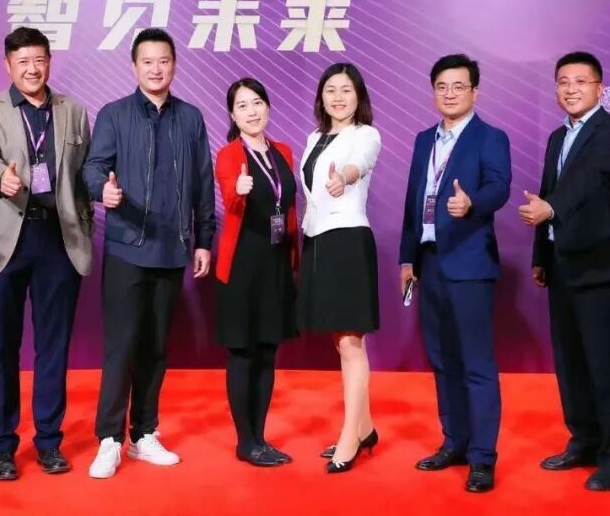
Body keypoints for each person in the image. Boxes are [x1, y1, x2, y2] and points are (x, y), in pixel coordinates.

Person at [83, 27, 216, 479]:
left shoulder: (191, 118)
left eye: (164, 60)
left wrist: (203, 239)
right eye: (148, 61)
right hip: (127, 247)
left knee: (157, 348)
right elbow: (93, 167)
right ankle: (108, 439)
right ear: (134, 67)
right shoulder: (114, 114)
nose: (156, 69)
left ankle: (143, 434)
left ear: (174, 64)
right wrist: (102, 190)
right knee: (121, 346)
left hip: (173, 248)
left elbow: (202, 182)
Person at [0, 27, 93, 481]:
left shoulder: (74, 111)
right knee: (2, 347)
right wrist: (1, 176)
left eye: (39, 60)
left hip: (59, 240)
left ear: (49, 61)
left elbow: (85, 173)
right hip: (4, 242)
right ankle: (2, 447)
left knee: (53, 347)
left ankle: (49, 442)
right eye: (22, 62)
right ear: (8, 65)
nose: (32, 69)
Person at [517, 51, 610, 491]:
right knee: (570, 363)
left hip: (598, 266)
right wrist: (540, 255)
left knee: (605, 364)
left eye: (581, 81)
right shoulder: (556, 137)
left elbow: (589, 182)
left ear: (600, 88)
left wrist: (551, 208)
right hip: (561, 264)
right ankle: (584, 440)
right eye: (563, 82)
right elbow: (546, 192)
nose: (571, 89)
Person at [398, 54, 511, 493]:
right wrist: (407, 259)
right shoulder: (423, 139)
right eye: (442, 86)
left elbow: (499, 186)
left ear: (475, 92)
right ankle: (454, 442)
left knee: (476, 364)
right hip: (429, 264)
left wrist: (472, 203)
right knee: (443, 360)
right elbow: (413, 202)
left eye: (458, 86)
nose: (449, 94)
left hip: (469, 263)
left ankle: (482, 457)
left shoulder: (490, 137)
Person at [298, 62, 382, 474]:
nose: (338, 97)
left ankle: (350, 437)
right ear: (321, 96)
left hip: (347, 240)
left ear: (358, 95)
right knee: (339, 341)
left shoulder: (366, 135)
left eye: (346, 89)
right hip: (317, 240)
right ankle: (365, 428)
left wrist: (344, 178)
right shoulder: (314, 137)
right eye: (331, 89)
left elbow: (358, 164)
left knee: (351, 342)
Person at [213, 78, 299, 467]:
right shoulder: (229, 155)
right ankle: (245, 442)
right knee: (243, 353)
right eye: (243, 106)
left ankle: (261, 439)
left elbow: (290, 206)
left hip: (276, 264)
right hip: (243, 267)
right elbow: (230, 200)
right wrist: (239, 191)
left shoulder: (284, 151)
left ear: (268, 106)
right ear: (233, 115)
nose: (252, 111)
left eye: (257, 102)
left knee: (267, 351)